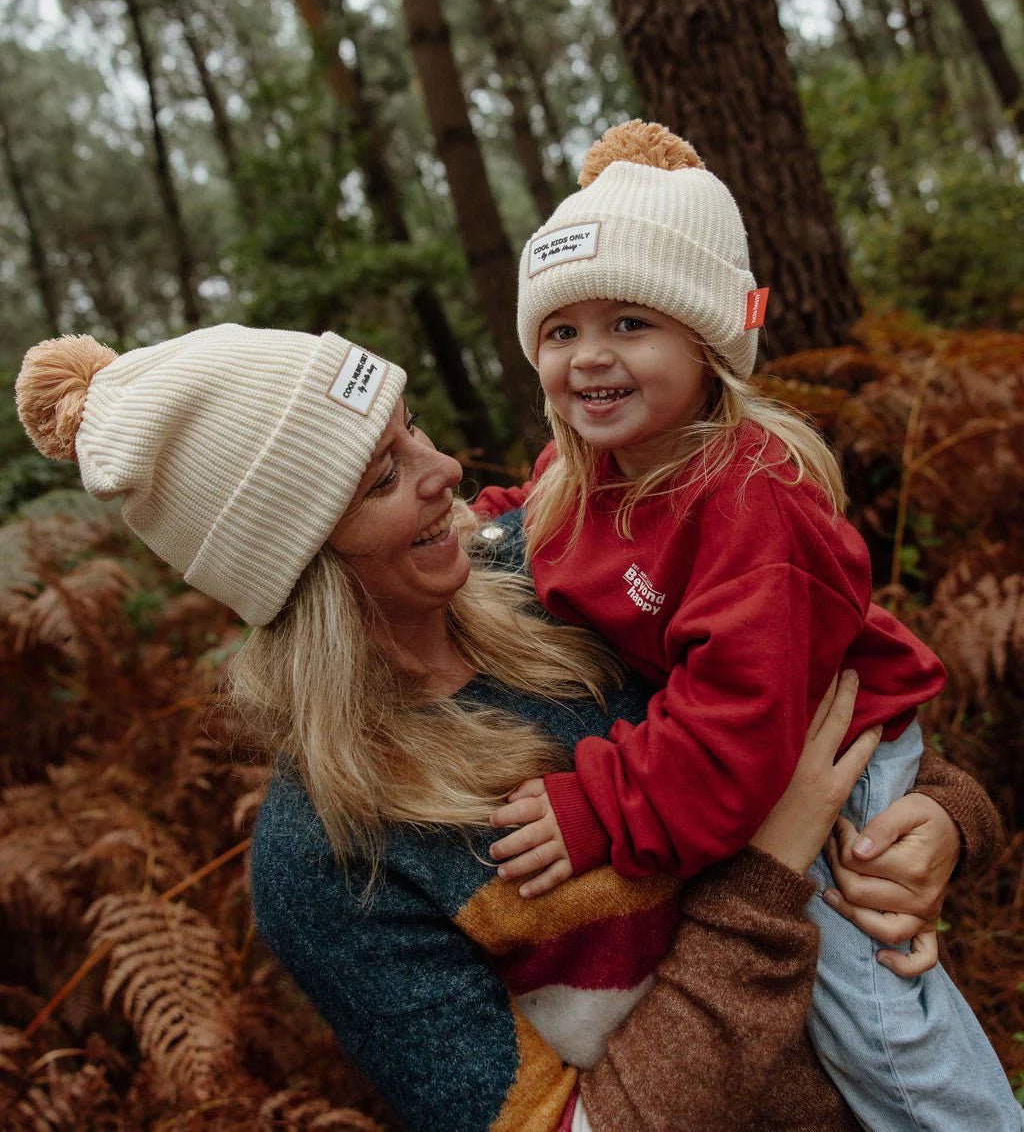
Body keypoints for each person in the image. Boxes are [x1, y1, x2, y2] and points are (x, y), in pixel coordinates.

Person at [14, 326, 1005, 1130]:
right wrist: (768, 872)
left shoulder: (556, 569)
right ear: (301, 569)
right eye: (380, 477)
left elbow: (815, 670)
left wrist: (938, 821)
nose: (443, 465)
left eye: (411, 430)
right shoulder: (329, 856)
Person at [474, 120, 1022, 1129]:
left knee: (874, 1018)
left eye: (630, 323)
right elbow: (522, 514)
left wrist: (596, 807)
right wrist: (468, 534)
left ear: (707, 340)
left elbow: (733, 734)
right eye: (562, 331)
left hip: (831, 752)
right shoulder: (584, 475)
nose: (589, 356)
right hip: (751, 749)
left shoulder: (744, 502)